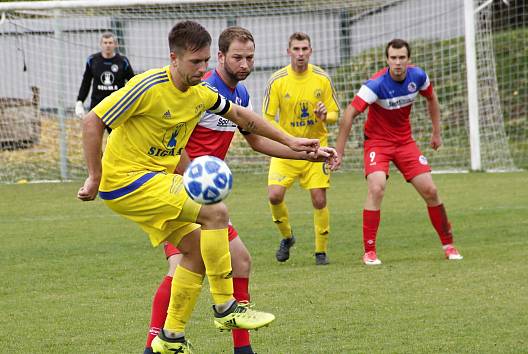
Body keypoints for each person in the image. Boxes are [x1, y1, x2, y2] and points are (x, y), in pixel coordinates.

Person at [77, 21, 326, 354]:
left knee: (194, 253)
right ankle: (225, 308)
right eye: (196, 62)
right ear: (174, 58)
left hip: (160, 183)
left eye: (206, 61)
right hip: (127, 180)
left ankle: (170, 338)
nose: (202, 69)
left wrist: (294, 142)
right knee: (216, 212)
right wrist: (94, 175)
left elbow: (245, 119)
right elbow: (93, 120)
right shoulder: (147, 85)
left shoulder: (202, 93)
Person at [143, 26, 338, 354]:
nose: (245, 63)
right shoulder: (202, 90)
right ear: (220, 57)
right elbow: (173, 140)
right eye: (237, 57)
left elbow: (257, 141)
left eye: (250, 57)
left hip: (205, 196)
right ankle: (153, 346)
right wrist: (193, 176)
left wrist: (308, 151)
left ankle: (242, 349)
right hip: (177, 188)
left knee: (241, 261)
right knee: (182, 266)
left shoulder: (240, 96)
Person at [334, 38, 463, 265]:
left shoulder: (418, 77)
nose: (397, 62)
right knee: (377, 187)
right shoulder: (375, 85)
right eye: (393, 58)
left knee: (431, 190)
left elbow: (431, 98)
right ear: (387, 60)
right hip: (377, 143)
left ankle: (448, 245)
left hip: (404, 143)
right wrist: (339, 153)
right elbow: (349, 114)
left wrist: (436, 132)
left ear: (409, 60)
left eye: (402, 58)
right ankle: (370, 251)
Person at [262, 32, 340, 265]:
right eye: (296, 49)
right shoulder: (277, 80)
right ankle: (287, 237)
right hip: (287, 149)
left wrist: (326, 116)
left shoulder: (321, 78)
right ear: (288, 52)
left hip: (316, 148)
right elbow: (267, 118)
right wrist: (285, 139)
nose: (300, 53)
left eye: (304, 49)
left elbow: (335, 113)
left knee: (318, 199)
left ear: (310, 51)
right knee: (274, 195)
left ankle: (320, 252)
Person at [75, 32, 134, 133]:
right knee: (93, 137)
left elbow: (132, 82)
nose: (108, 45)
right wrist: (80, 101)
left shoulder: (123, 61)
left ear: (115, 44)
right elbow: (86, 81)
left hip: (117, 107)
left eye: (110, 42)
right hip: (97, 106)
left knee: (116, 140)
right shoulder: (92, 60)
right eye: (105, 42)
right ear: (101, 44)